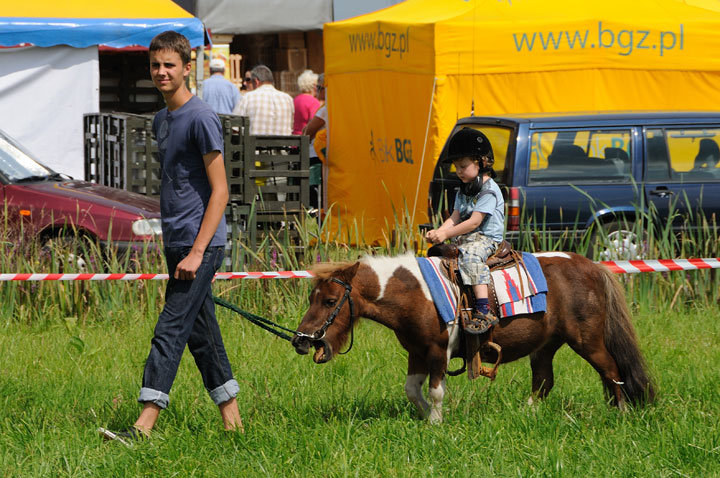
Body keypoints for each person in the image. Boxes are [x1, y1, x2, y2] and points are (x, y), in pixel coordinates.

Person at [100, 30, 243, 443]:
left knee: (170, 328)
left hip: (202, 243)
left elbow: (221, 190)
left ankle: (142, 428)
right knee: (203, 336)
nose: (161, 72)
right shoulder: (161, 120)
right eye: (155, 66)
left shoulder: (200, 117)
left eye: (169, 66)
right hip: (176, 241)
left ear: (186, 68)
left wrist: (199, 252)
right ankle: (234, 426)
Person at [425, 128, 505, 334]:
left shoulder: (489, 190)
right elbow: (455, 217)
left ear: (481, 163)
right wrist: (439, 232)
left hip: (486, 238)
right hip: (467, 237)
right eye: (456, 166)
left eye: (463, 166)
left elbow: (474, 222)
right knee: (440, 254)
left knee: (470, 257)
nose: (459, 171)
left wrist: (446, 234)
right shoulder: (464, 188)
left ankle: (484, 309)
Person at [232, 65, 293, 135]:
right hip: (283, 145)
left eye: (250, 81)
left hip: (254, 145)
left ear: (256, 81)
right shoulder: (288, 99)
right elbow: (290, 127)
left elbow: (234, 127)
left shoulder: (247, 97)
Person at [302, 74, 327, 210]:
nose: (316, 90)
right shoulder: (328, 108)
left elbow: (307, 132)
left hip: (316, 156)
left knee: (316, 193)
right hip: (322, 155)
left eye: (319, 87)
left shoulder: (325, 110)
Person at [292, 70, 320, 135]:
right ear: (314, 86)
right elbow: (315, 125)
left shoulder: (295, 99)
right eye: (318, 86)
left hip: (294, 139)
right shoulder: (314, 102)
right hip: (305, 140)